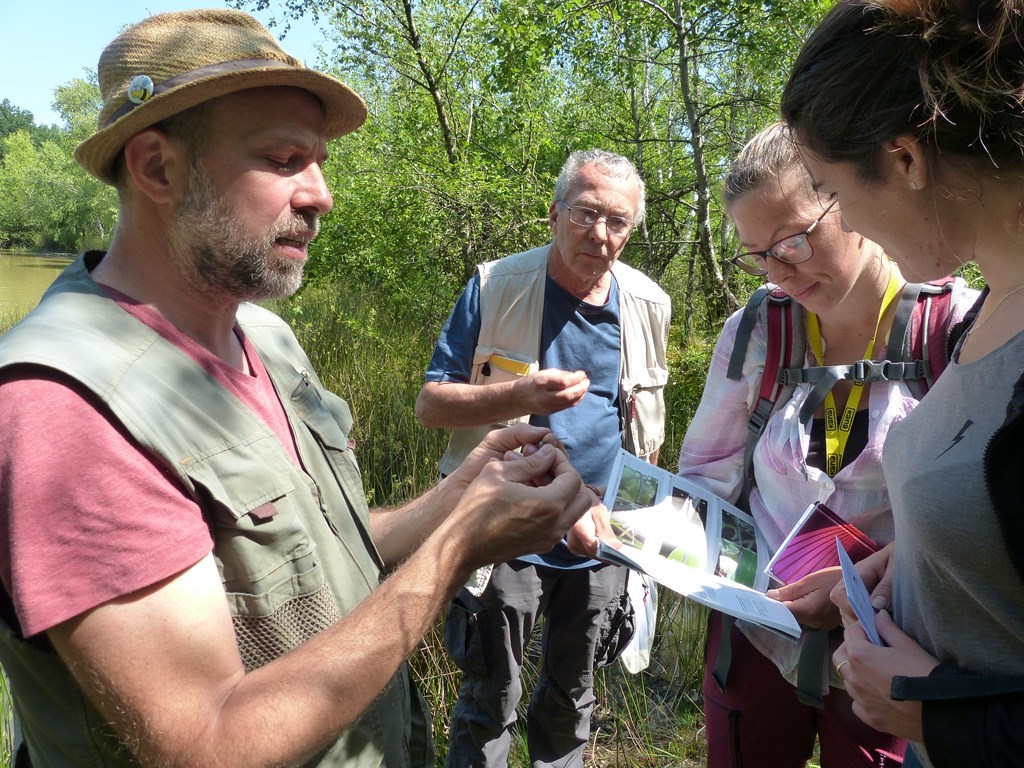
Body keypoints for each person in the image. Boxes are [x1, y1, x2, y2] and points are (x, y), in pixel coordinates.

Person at [0, 9, 595, 767]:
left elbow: (327, 561)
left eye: (318, 161)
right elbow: (207, 742)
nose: (321, 195)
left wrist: (466, 494)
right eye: (283, 159)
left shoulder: (267, 339)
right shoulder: (65, 409)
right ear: (156, 168)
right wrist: (455, 550)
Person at [673, 122, 976, 767]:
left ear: (851, 199)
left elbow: (981, 519)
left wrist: (876, 576)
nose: (778, 272)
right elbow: (706, 474)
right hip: (756, 639)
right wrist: (645, 533)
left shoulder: (954, 329)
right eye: (757, 255)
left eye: (794, 240)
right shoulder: (759, 330)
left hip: (887, 650)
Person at [779, 1, 1024, 766]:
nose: (844, 219)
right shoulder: (983, 311)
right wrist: (918, 561)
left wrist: (944, 717)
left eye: (832, 190)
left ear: (906, 160)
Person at [415, 148, 671, 767]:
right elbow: (431, 405)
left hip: (601, 535)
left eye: (618, 223)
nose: (600, 235)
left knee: (573, 698)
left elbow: (644, 430)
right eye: (586, 214)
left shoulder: (648, 305)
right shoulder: (495, 285)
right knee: (491, 695)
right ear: (553, 214)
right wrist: (521, 394)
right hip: (504, 527)